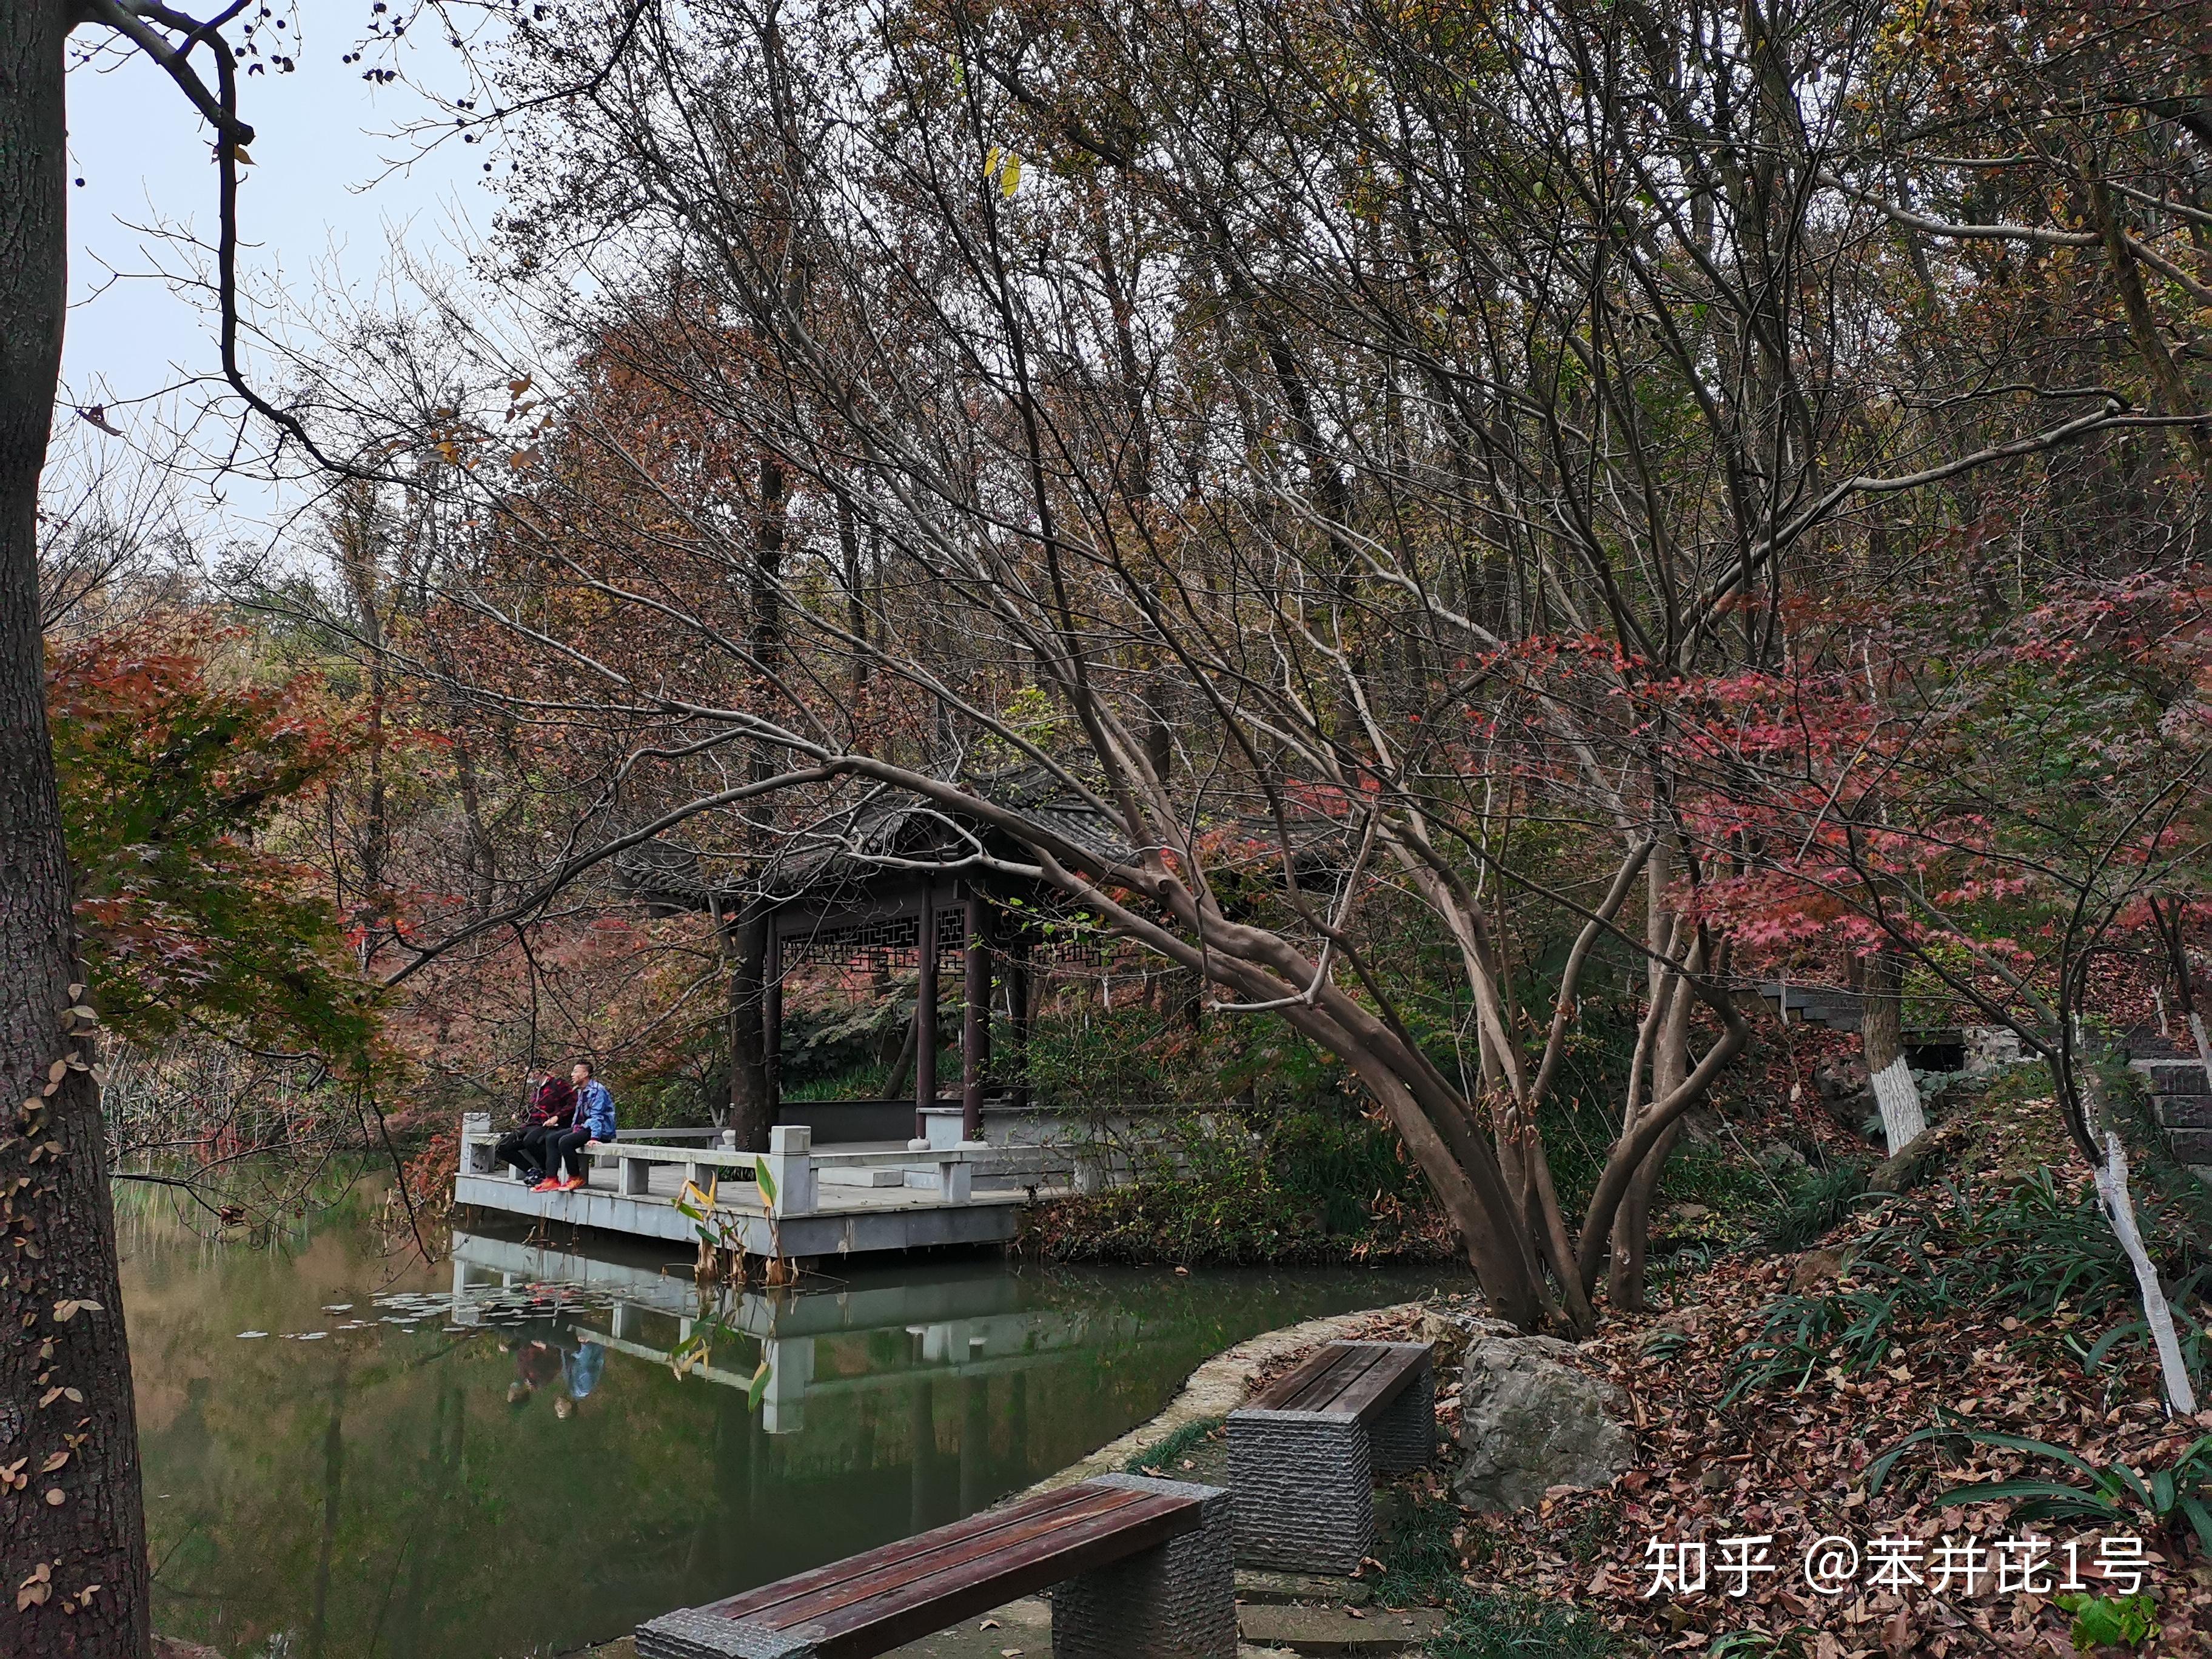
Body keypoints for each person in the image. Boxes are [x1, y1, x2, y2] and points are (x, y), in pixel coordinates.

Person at [534, 1060, 615, 1192]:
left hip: (599, 1131)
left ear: (585, 1074)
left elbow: (597, 1116)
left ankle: (575, 1177)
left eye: (576, 1072)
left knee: (565, 1142)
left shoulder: (597, 1091)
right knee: (551, 1138)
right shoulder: (581, 1091)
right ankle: (551, 1179)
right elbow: (578, 1116)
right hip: (584, 1127)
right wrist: (573, 1129)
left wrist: (595, 1137)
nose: (572, 1074)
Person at [497, 1073, 574, 1184]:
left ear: (538, 1072)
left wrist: (557, 1117)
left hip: (546, 1124)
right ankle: (531, 1170)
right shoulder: (536, 1088)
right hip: (530, 1124)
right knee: (502, 1146)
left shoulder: (557, 1084)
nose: (526, 1074)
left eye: (529, 1071)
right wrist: (521, 1114)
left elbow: (572, 1103)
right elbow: (533, 1108)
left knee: (531, 1140)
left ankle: (545, 1170)